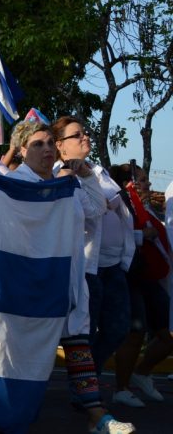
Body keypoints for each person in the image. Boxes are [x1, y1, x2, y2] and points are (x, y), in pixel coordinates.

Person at [7, 121, 133, 434]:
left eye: (51, 143)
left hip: (70, 279)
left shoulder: (68, 182)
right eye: (38, 144)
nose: (47, 149)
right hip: (32, 283)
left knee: (78, 346)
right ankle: (2, 415)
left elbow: (95, 210)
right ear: (22, 150)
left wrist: (87, 175)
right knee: (23, 352)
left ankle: (97, 417)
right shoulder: (15, 184)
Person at [53, 117, 134, 388]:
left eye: (85, 133)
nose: (85, 138)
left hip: (112, 265)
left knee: (118, 329)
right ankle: (85, 392)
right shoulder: (59, 174)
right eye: (77, 135)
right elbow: (95, 210)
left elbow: (119, 208)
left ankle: (90, 380)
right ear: (61, 146)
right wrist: (83, 178)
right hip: (88, 267)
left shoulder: (99, 171)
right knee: (83, 334)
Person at [110, 163, 173, 408]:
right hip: (132, 276)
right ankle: (120, 389)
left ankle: (142, 372)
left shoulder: (145, 207)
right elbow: (117, 234)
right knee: (135, 334)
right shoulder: (122, 204)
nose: (148, 184)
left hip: (150, 278)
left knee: (167, 334)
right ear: (130, 184)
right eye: (143, 180)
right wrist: (141, 235)